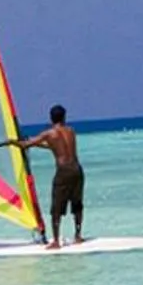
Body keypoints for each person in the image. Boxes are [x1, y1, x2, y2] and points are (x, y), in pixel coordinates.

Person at [17, 105, 84, 248]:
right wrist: (36, 145)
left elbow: (25, 145)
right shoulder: (71, 131)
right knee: (77, 203)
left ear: (51, 118)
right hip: (77, 170)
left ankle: (56, 241)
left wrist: (14, 142)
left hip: (63, 172)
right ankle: (78, 236)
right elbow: (56, 147)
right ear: (64, 117)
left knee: (56, 208)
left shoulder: (49, 134)